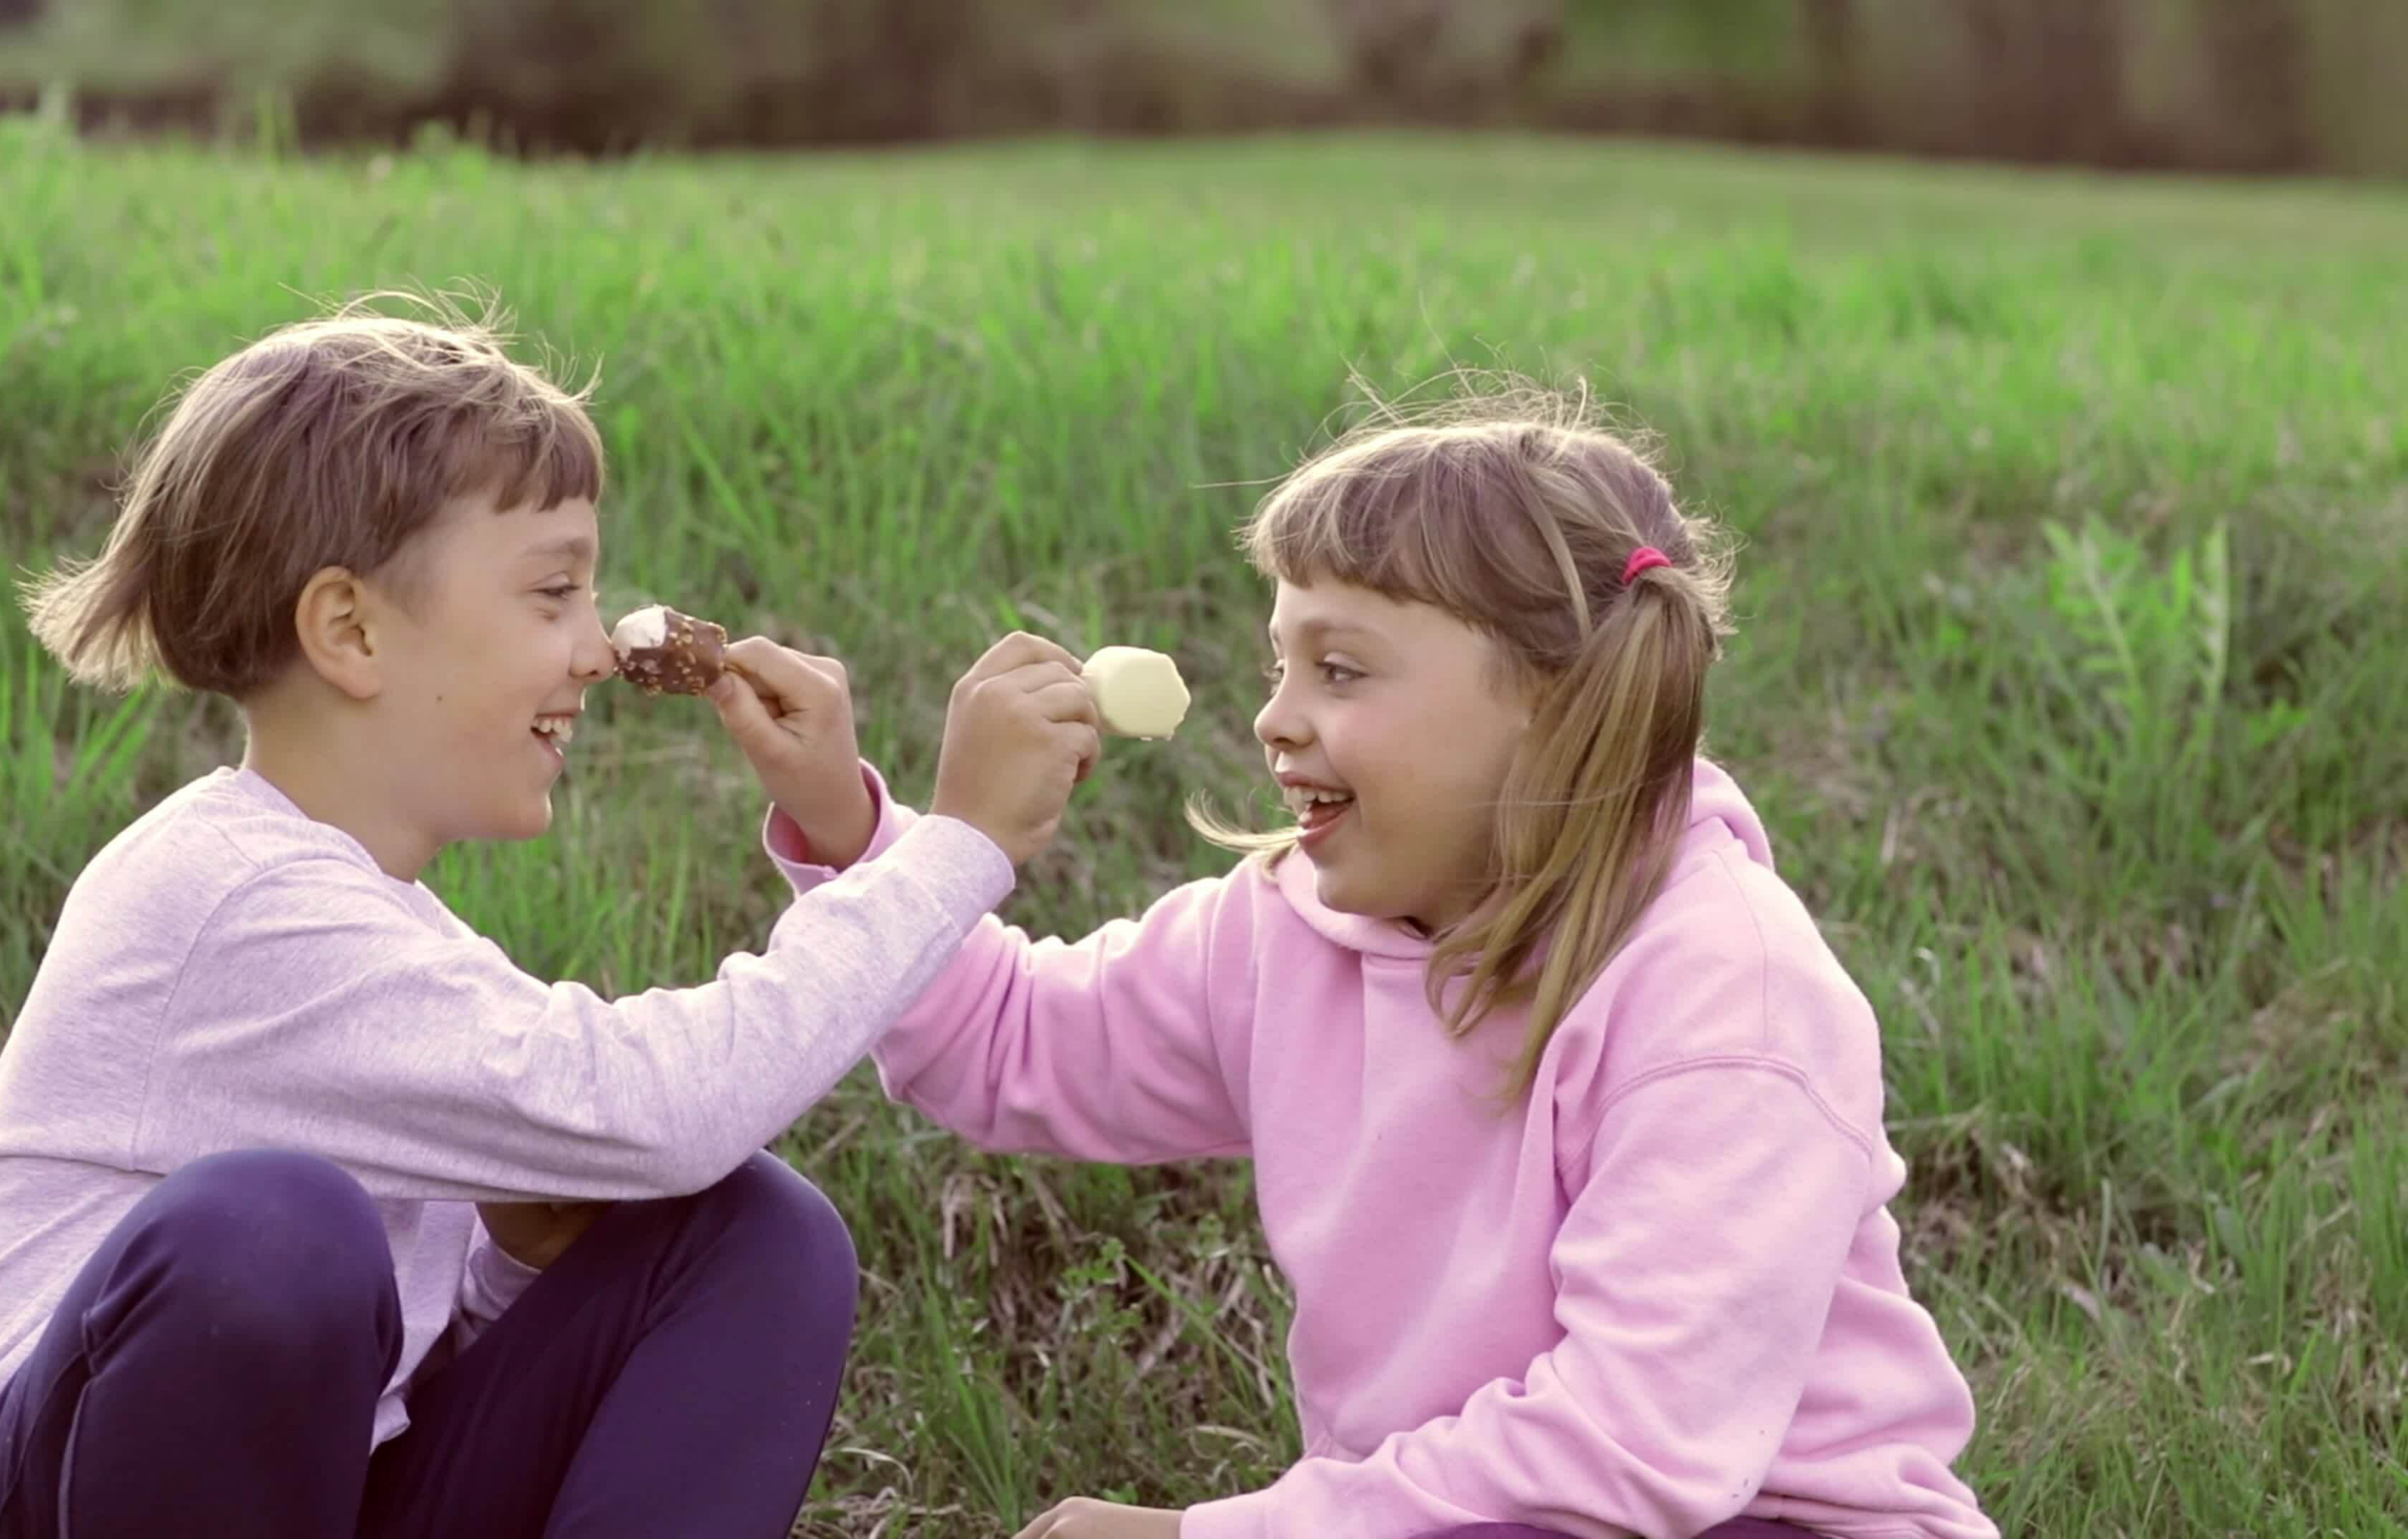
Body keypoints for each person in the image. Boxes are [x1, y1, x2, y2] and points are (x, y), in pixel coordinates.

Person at [0, 295, 1102, 1539]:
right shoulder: (229, 899)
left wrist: (522, 1262)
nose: (598, 650)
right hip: (7, 1509)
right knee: (271, 1233)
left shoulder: (410, 940)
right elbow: (661, 1111)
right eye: (553, 596)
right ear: (352, 632)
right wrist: (953, 846)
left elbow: (412, 1372)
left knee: (751, 1234)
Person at [764, 387, 2003, 1539]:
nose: (1272, 718)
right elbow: (1015, 1045)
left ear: (1558, 707)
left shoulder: (1727, 999)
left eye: (1341, 670)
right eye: (1281, 662)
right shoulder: (1286, 932)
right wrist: (851, 829)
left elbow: (1632, 1447)